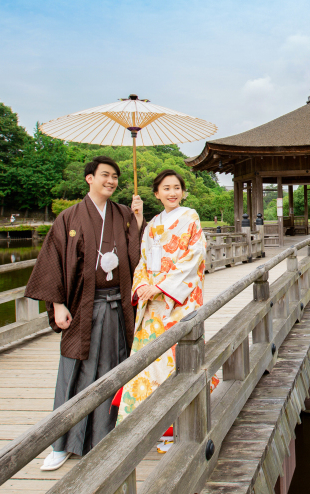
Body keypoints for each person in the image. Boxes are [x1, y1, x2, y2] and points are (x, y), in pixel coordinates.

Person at [25, 156, 144, 471]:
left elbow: (138, 256)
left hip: (119, 307)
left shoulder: (124, 214)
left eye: (115, 176)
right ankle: (62, 443)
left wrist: (139, 220)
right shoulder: (69, 217)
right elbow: (53, 260)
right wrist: (57, 304)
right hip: (83, 307)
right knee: (74, 372)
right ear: (89, 178)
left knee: (115, 369)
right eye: (105, 175)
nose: (111, 181)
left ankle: (109, 437)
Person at [115, 169, 215, 453]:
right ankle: (152, 426)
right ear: (156, 193)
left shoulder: (190, 217)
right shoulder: (152, 225)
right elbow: (143, 262)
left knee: (175, 360)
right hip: (153, 304)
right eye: (166, 188)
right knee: (150, 363)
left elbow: (194, 256)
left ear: (183, 192)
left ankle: (178, 425)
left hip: (177, 300)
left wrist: (160, 287)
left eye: (176, 188)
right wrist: (142, 286)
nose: (172, 193)